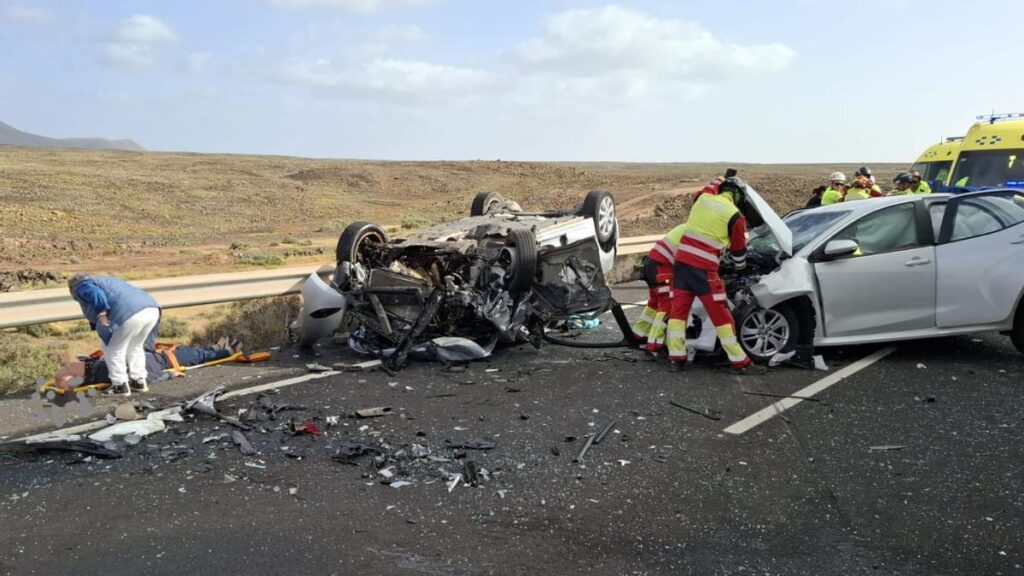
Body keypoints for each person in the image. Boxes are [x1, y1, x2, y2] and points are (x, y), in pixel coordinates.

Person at [665, 176, 763, 374]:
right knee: (721, 315)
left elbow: (707, 188)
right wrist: (739, 268)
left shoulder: (703, 199)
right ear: (737, 196)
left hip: (682, 266)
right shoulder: (735, 215)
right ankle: (740, 363)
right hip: (704, 271)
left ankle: (677, 359)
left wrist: (722, 176)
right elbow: (738, 251)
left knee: (678, 313)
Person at [633, 179, 722, 353]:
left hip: (652, 263)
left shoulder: (688, 226)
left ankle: (639, 334)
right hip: (662, 266)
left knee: (654, 302)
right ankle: (654, 344)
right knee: (667, 305)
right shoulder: (698, 231)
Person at [68, 274, 161, 395]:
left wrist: (102, 314)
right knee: (135, 347)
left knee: (113, 349)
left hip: (129, 313)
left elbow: (95, 293)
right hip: (151, 309)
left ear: (70, 288)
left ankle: (120, 385)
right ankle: (138, 381)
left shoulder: (81, 285)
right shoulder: (105, 279)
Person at [54, 339, 242, 393]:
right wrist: (170, 376)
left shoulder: (96, 367)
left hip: (154, 356)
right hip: (165, 360)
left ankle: (216, 349)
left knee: (192, 353)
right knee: (193, 355)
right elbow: (147, 378)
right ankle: (224, 351)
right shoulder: (113, 372)